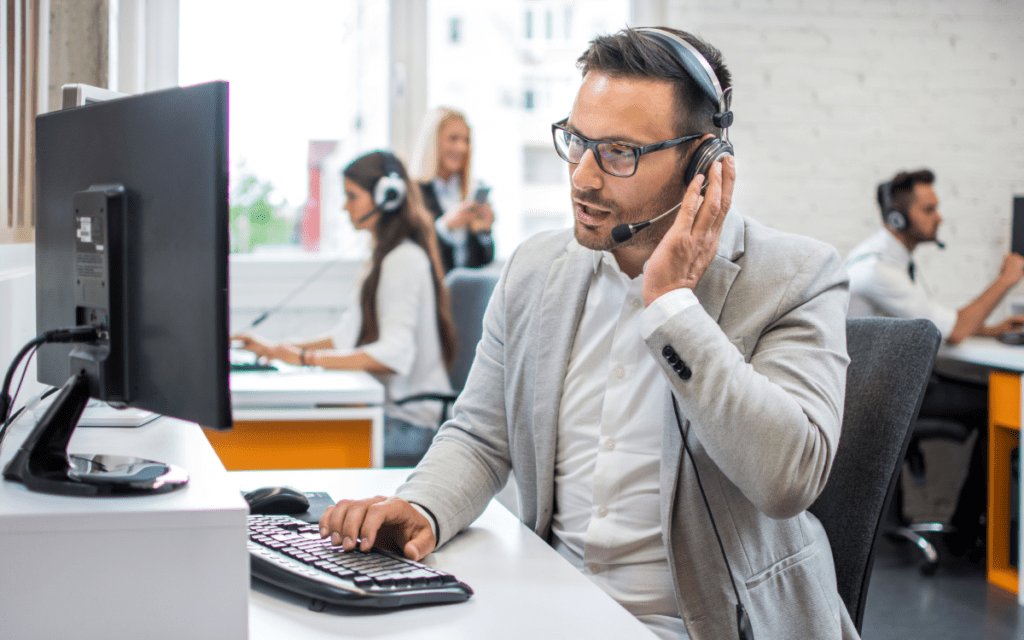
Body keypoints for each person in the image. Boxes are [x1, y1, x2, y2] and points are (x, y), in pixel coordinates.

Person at [320, 27, 855, 640]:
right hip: (546, 607)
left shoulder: (795, 276)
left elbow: (788, 479)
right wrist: (422, 508)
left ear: (702, 161)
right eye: (577, 142)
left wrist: (673, 307)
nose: (583, 177)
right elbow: (479, 434)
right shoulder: (534, 272)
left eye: (619, 152)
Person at [234, 151, 458, 468]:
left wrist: (302, 359)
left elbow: (393, 354)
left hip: (411, 424)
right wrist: (276, 350)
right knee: (287, 429)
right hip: (391, 413)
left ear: (387, 198)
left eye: (352, 196)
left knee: (291, 444)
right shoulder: (384, 259)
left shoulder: (403, 261)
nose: (344, 206)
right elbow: (345, 339)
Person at [846, 168, 1024, 559]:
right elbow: (953, 331)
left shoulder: (885, 261)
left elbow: (935, 328)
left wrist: (991, 331)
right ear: (898, 218)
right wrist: (1006, 279)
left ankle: (969, 528)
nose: (939, 217)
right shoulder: (878, 271)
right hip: (884, 400)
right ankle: (970, 533)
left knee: (990, 397)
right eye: (929, 209)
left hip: (882, 389)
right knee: (995, 404)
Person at [410, 107, 495, 273]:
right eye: (453, 139)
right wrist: (445, 227)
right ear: (433, 142)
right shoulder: (414, 192)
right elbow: (413, 254)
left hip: (466, 292)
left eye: (466, 140)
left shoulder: (471, 190)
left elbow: (484, 259)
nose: (462, 148)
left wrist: (484, 230)